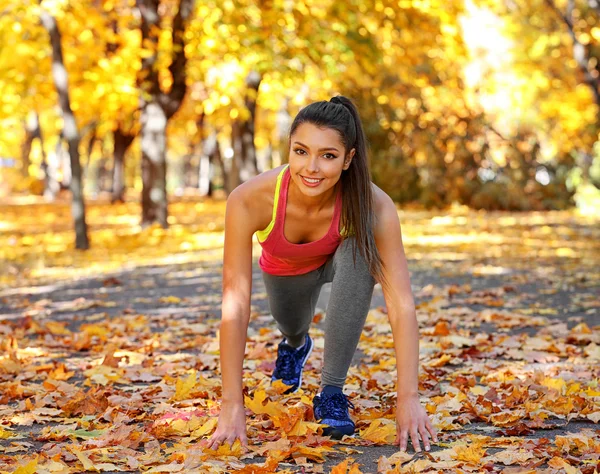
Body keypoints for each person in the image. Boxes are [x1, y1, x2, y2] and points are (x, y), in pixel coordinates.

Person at [206, 96, 437, 453]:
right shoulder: (250, 199)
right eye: (301, 151)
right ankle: (295, 346)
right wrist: (231, 405)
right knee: (291, 324)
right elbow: (234, 305)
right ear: (290, 149)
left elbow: (401, 304)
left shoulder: (375, 206)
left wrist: (408, 397)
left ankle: (331, 392)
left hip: (341, 262)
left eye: (328, 156)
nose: (311, 167)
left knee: (361, 249)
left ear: (348, 160)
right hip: (286, 271)